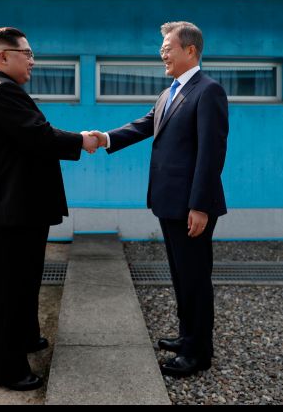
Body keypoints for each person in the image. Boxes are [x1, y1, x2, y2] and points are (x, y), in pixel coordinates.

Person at [89, 21, 229, 377]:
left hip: (191, 205)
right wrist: (105, 138)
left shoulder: (208, 91)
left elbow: (211, 154)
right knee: (181, 275)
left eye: (168, 48)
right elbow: (145, 124)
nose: (162, 54)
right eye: (162, 48)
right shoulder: (170, 92)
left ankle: (199, 353)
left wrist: (199, 205)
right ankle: (187, 336)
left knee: (195, 277)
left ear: (190, 51)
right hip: (168, 202)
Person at [0, 27, 98, 391]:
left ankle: (27, 338)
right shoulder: (0, 92)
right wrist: (82, 141)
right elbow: (40, 136)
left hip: (18, 210)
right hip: (7, 213)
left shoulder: (2, 89)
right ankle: (5, 369)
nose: (32, 60)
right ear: (2, 56)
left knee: (25, 283)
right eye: (25, 53)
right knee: (9, 292)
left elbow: (34, 133)